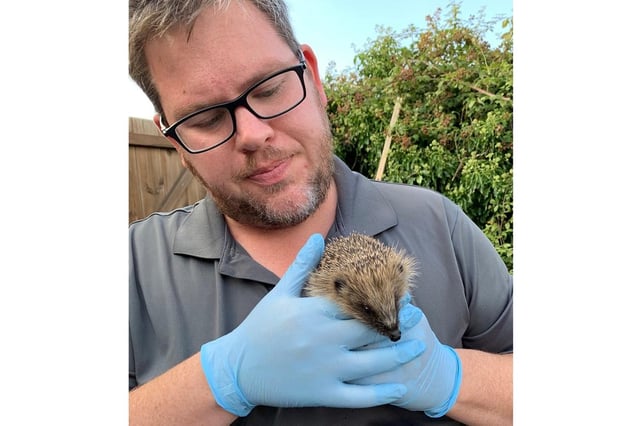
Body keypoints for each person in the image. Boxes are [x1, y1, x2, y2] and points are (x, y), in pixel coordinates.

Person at [128, 0, 513, 424]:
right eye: (206, 118)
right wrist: (216, 383)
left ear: (313, 77)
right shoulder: (132, 266)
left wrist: (453, 379)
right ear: (175, 140)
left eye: (270, 88)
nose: (254, 135)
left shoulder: (440, 224)